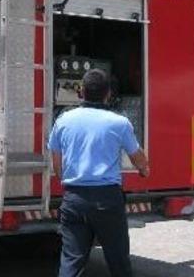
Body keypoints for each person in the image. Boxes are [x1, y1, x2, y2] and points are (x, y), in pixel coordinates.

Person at [48, 69, 150, 277]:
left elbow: (57, 164)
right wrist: (144, 169)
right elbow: (138, 158)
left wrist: (69, 182)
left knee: (71, 260)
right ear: (108, 94)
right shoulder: (119, 123)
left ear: (81, 92)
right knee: (118, 259)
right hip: (107, 200)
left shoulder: (63, 121)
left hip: (74, 198)